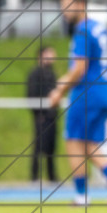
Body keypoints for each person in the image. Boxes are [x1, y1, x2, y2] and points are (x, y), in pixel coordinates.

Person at [48, 0, 107, 206]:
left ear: (80, 4)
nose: (65, 11)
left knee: (73, 140)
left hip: (88, 92)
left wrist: (59, 89)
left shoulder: (82, 30)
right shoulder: (97, 27)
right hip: (105, 91)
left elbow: (79, 69)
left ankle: (82, 195)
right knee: (88, 143)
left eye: (68, 6)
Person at [26, 46, 59, 182]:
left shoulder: (52, 74)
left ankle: (52, 176)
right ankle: (34, 177)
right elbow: (31, 94)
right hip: (41, 116)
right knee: (39, 146)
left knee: (52, 147)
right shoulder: (34, 74)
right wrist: (39, 112)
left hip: (52, 116)